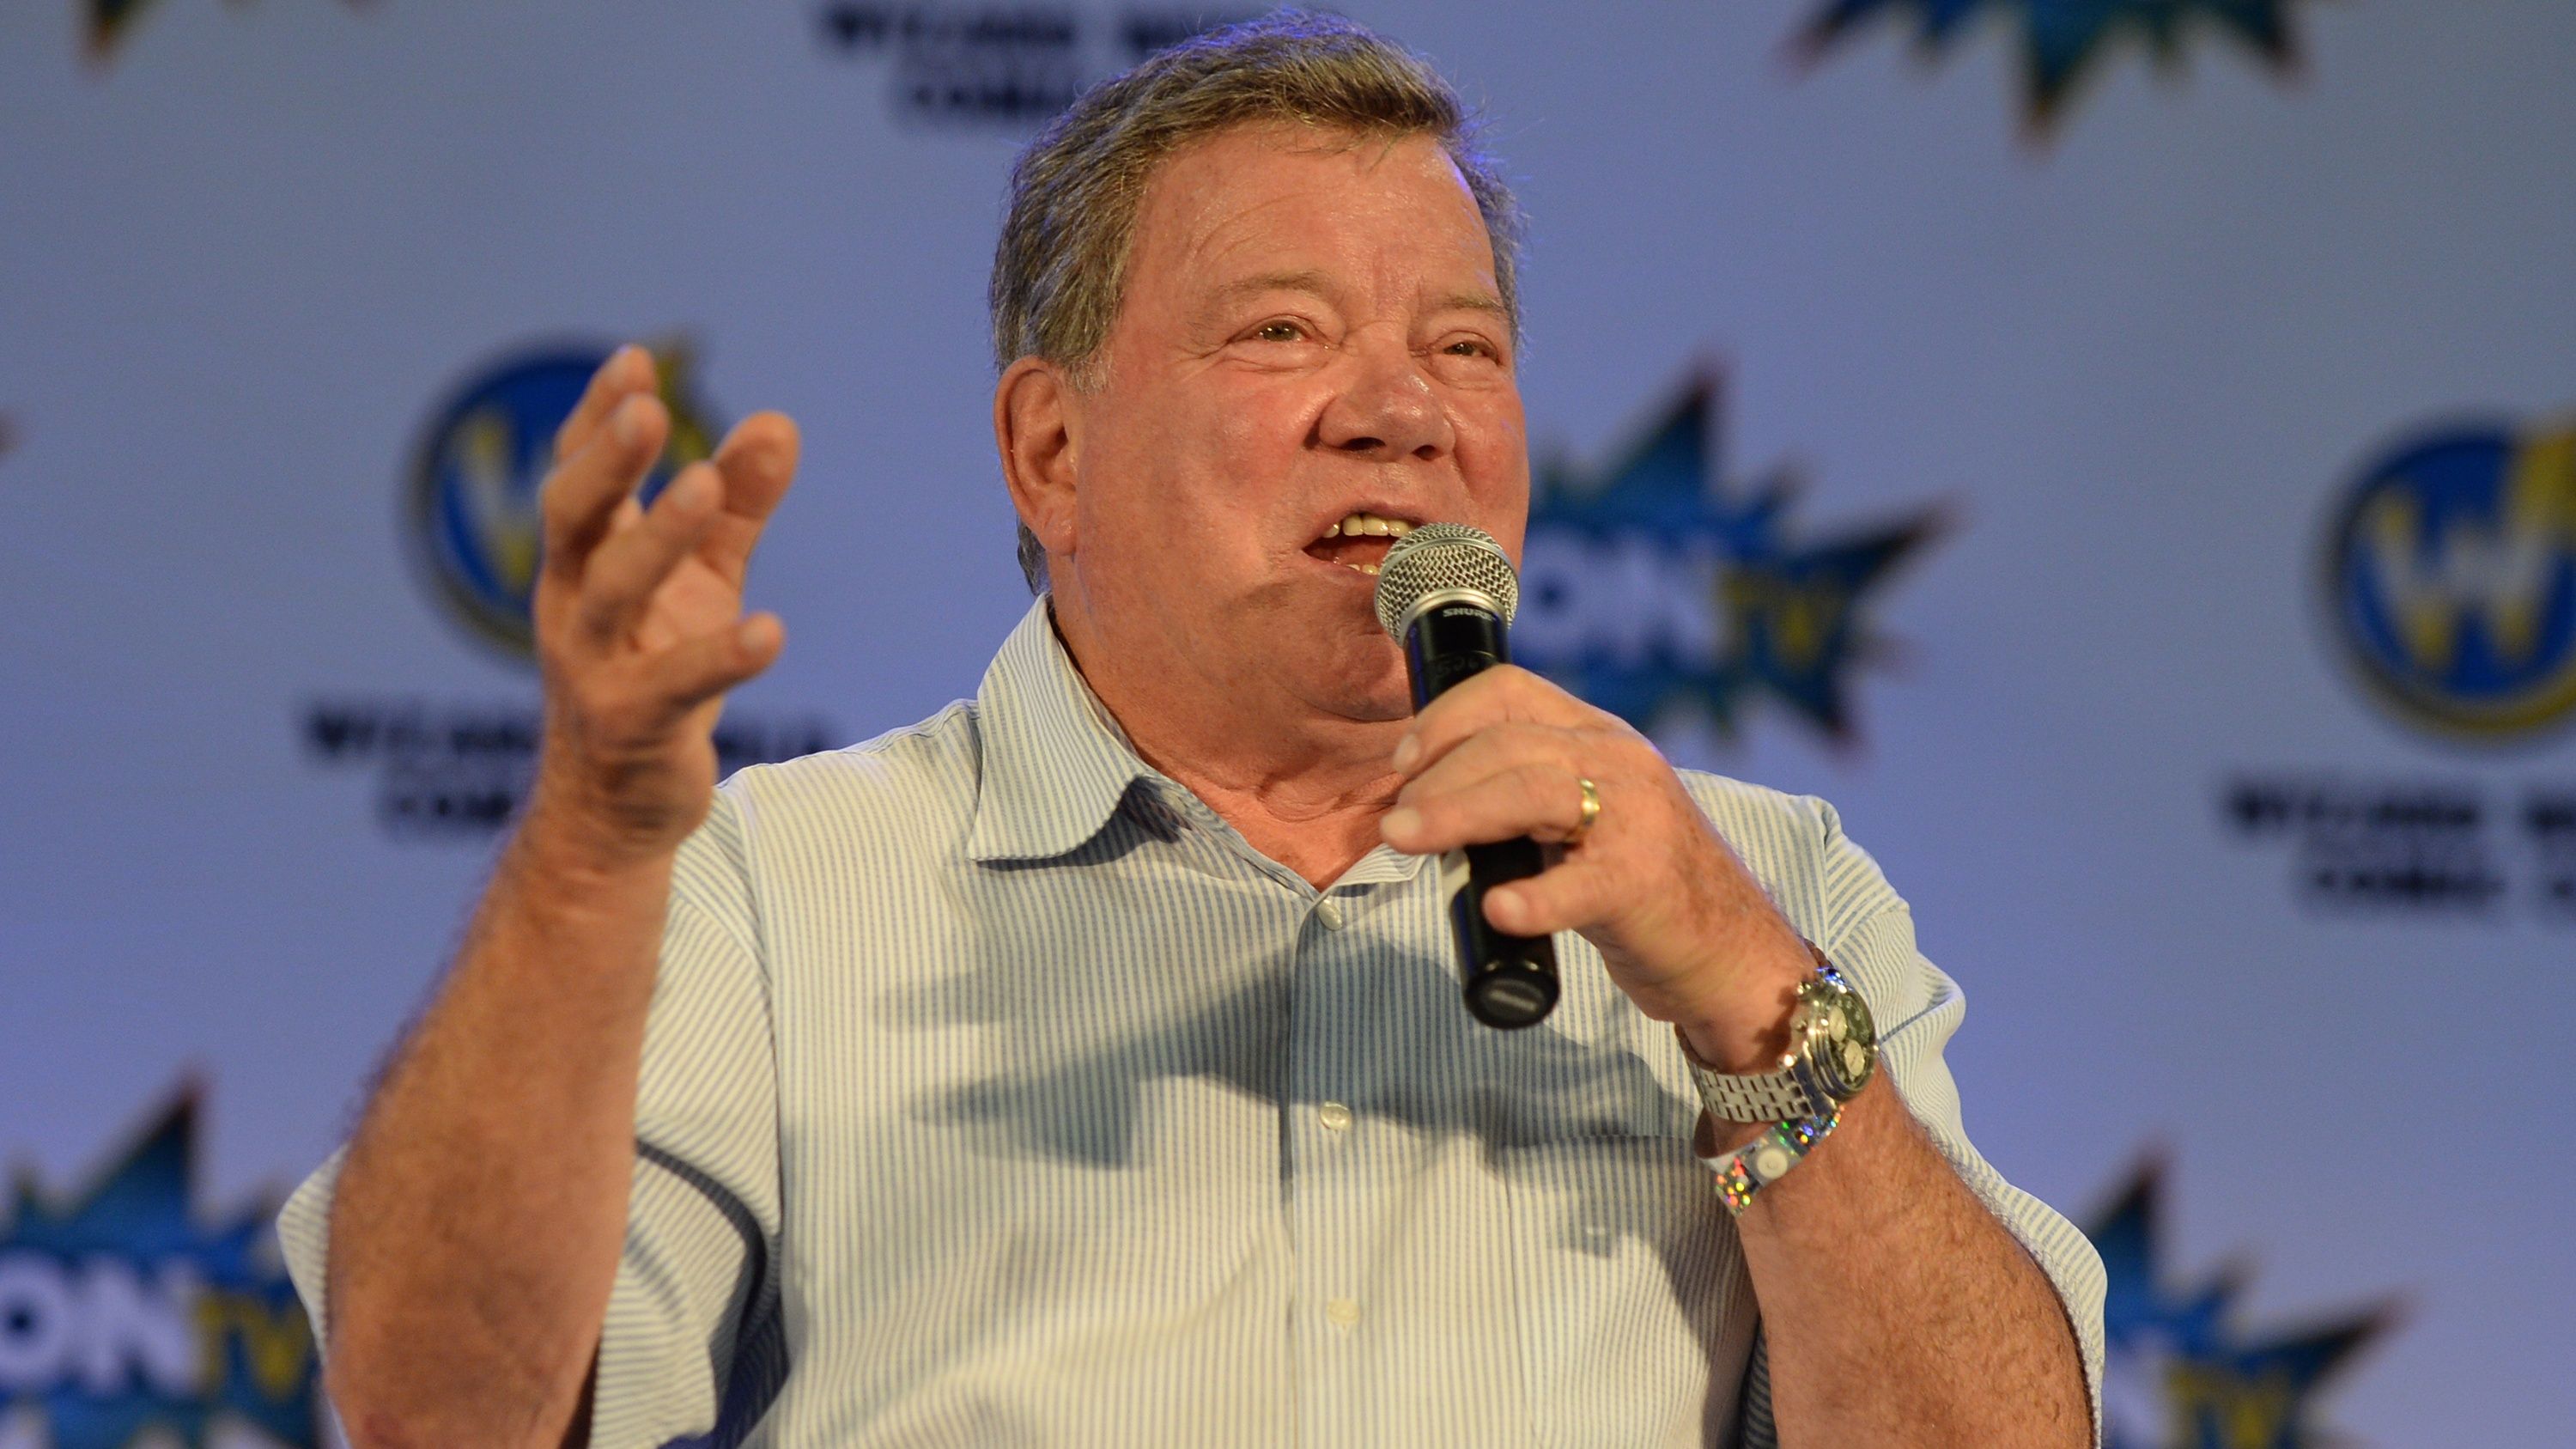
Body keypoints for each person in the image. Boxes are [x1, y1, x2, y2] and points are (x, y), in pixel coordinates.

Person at [282, 12, 2104, 1446]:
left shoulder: (1761, 892)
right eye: (1283, 332)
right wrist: (599, 841)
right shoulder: (782, 888)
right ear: (1050, 449)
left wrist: (1742, 1002)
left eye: (1465, 349)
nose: (1400, 412)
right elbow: (443, 1413)